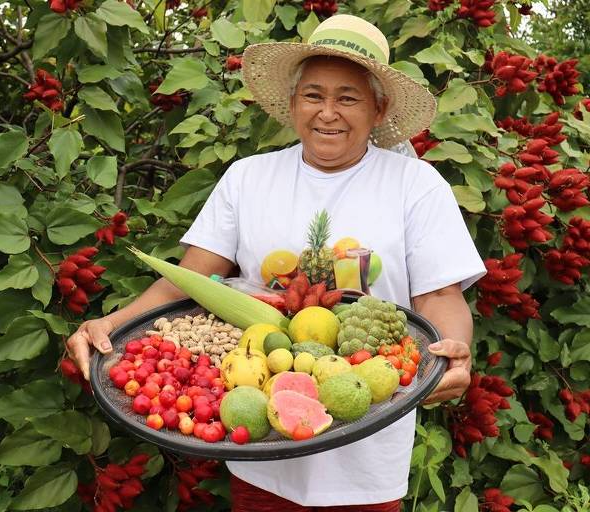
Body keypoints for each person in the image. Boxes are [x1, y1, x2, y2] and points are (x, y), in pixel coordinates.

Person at [67, 13, 485, 512]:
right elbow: (189, 283)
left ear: (378, 109)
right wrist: (109, 324)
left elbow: (440, 296)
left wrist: (456, 354)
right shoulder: (248, 177)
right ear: (291, 105)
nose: (327, 112)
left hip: (368, 446)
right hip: (258, 441)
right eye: (313, 95)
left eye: (347, 98)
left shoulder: (415, 185)